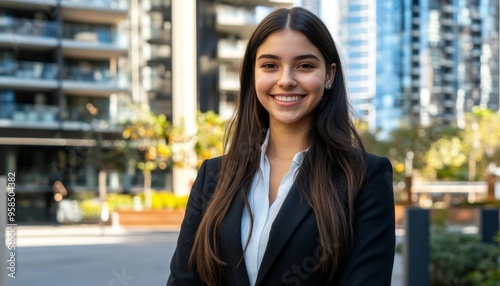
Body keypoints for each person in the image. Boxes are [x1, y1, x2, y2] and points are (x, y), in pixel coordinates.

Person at [167, 6, 395, 286]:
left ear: (329, 75)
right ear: (253, 74)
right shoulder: (213, 176)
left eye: (305, 65)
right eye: (270, 65)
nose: (286, 80)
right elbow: (184, 280)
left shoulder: (364, 177)